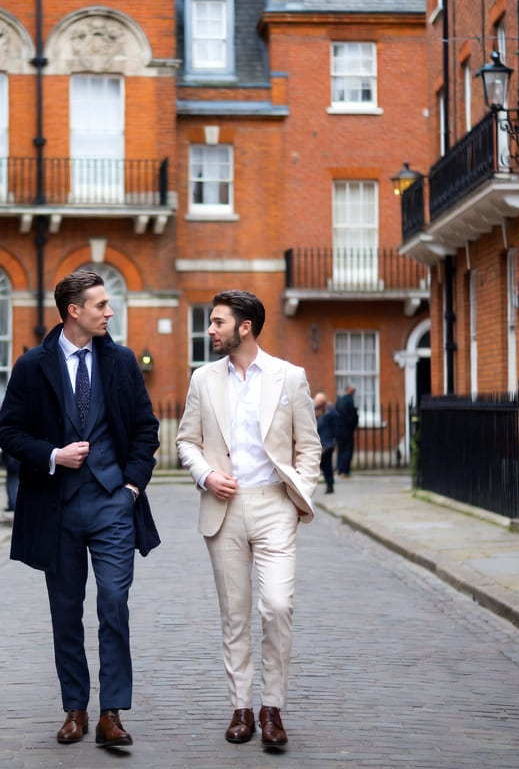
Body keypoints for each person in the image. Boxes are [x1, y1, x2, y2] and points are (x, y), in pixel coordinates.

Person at [0, 269, 160, 748]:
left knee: (113, 601)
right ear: (74, 311)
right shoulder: (32, 366)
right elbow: (9, 433)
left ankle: (112, 712)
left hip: (113, 502)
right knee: (66, 610)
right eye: (101, 305)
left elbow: (147, 429)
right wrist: (53, 455)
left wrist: (131, 486)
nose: (109, 312)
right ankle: (75, 708)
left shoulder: (123, 362)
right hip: (58, 508)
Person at [176, 289, 321, 750]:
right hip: (224, 509)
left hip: (275, 504)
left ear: (245, 327)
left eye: (217, 322)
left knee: (277, 606)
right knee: (234, 615)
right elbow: (186, 442)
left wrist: (302, 495)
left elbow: (309, 447)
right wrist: (205, 476)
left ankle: (272, 706)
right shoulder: (203, 379)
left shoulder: (288, 377)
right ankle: (241, 707)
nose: (210, 329)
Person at [314, 392, 339, 494]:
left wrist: (327, 444)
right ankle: (329, 483)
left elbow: (332, 428)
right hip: (321, 443)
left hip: (327, 444)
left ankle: (330, 484)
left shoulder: (329, 413)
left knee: (326, 465)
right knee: (324, 465)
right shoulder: (317, 413)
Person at [335, 384, 359, 477]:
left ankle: (340, 469)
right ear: (348, 390)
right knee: (348, 450)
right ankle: (345, 470)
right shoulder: (350, 400)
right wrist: (354, 423)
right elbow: (352, 417)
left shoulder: (340, 400)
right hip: (347, 430)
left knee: (341, 450)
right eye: (353, 390)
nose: (354, 392)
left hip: (339, 430)